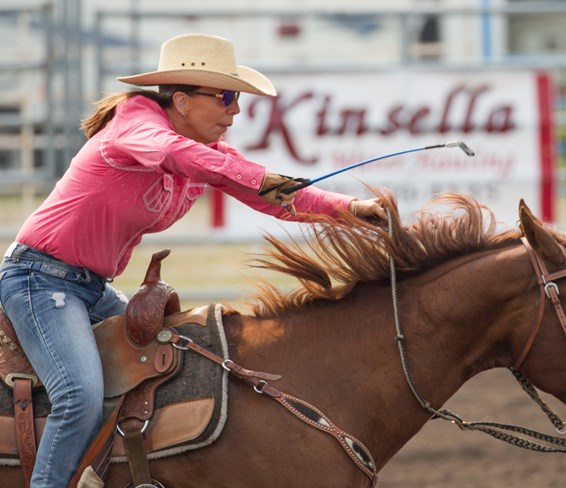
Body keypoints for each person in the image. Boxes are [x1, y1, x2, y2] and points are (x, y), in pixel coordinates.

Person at [0, 33, 385, 488]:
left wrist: (352, 211)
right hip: (39, 281)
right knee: (78, 395)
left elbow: (268, 196)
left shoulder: (201, 154)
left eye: (236, 98)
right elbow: (184, 158)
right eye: (226, 97)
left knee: (171, 363)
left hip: (85, 287)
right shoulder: (136, 128)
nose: (235, 110)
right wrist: (269, 179)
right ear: (181, 100)